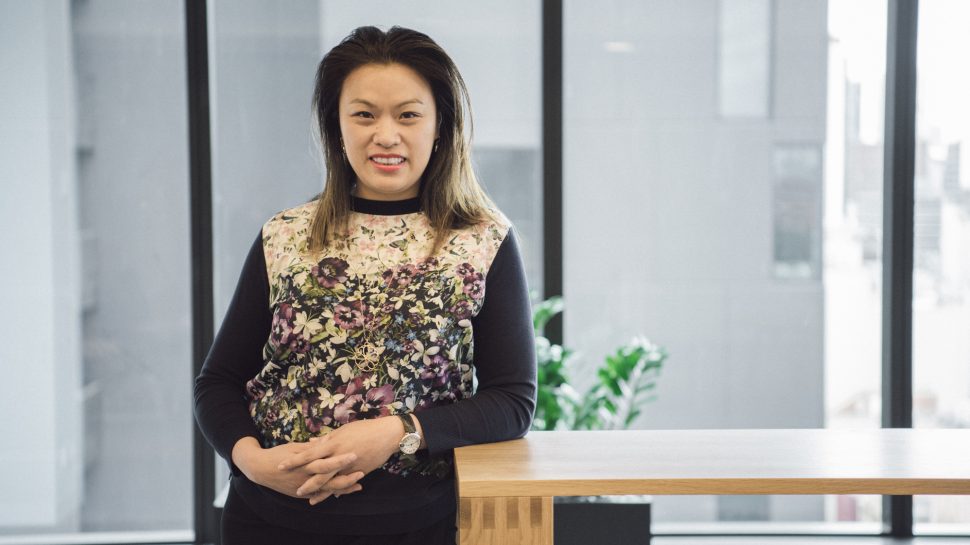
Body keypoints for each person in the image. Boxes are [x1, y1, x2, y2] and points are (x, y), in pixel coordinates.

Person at [194, 25, 537, 544]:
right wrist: (252, 462)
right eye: (364, 114)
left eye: (408, 115)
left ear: (440, 126)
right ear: (336, 126)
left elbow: (512, 401)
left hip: (418, 525)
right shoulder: (284, 235)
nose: (386, 135)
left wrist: (399, 432)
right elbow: (218, 382)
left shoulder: (483, 241)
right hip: (266, 520)